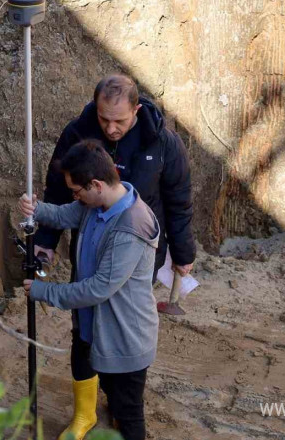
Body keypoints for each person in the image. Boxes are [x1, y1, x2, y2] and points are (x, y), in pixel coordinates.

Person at [33, 74, 196, 439]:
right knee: (86, 330)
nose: (110, 128)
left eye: (119, 121)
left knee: (121, 322)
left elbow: (179, 200)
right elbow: (61, 193)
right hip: (91, 242)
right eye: (104, 119)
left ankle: (123, 402)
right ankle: (85, 413)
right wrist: (44, 238)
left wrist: (183, 253)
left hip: (135, 249)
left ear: (136, 110)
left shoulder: (162, 142)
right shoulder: (78, 134)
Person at [20, 139, 159, 440]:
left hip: (124, 338)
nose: (74, 197)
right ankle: (87, 415)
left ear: (96, 184)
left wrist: (44, 291)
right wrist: (37, 208)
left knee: (128, 415)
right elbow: (63, 215)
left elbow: (98, 289)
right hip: (92, 326)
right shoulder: (94, 205)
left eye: (76, 190)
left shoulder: (130, 227)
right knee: (88, 366)